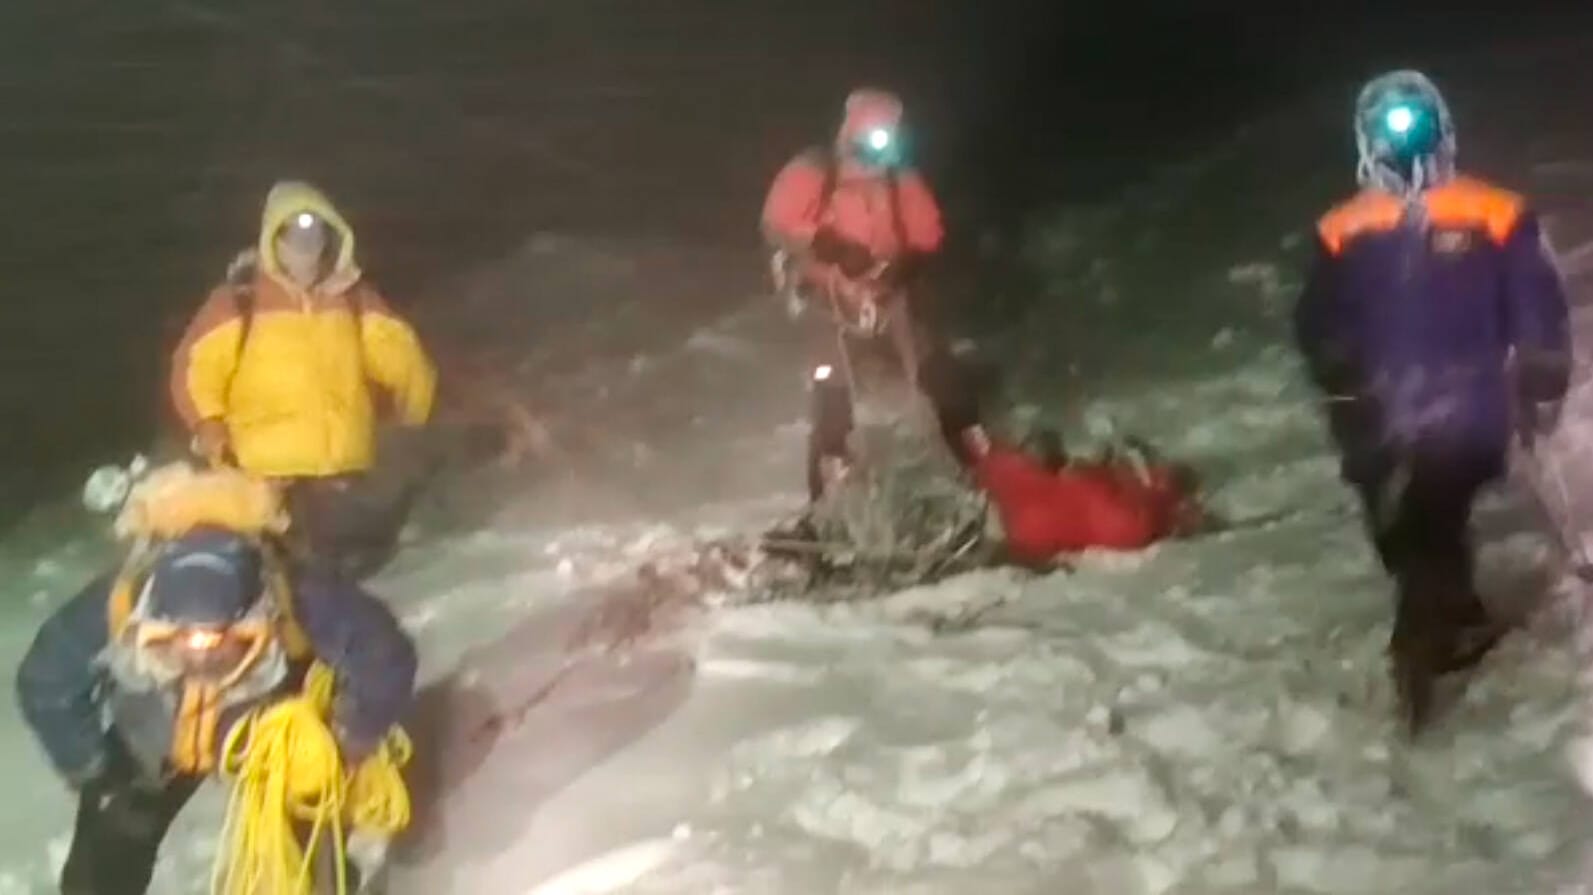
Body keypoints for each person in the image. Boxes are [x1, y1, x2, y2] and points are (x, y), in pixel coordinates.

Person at [1292, 70, 1570, 733]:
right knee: (1394, 515)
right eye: (1388, 129)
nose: (1403, 143)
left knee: (1432, 501)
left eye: (1414, 124)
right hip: (1375, 402)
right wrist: (1336, 368)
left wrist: (1540, 365)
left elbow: (1533, 298)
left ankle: (1422, 636)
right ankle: (1450, 607)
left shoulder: (1492, 212)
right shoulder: (1343, 228)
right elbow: (1317, 315)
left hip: (1466, 396)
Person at [15, 472, 417, 894]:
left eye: (229, 642)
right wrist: (94, 767)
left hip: (270, 739)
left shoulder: (294, 592)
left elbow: (381, 651)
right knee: (101, 863)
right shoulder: (119, 600)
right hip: (154, 732)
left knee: (310, 851)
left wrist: (352, 733)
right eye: (169, 644)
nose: (200, 657)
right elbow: (46, 678)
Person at [170, 181, 438, 578]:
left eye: (314, 234)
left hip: (342, 476)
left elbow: (405, 359)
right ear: (272, 240)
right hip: (265, 480)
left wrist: (414, 416)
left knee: (351, 577)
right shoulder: (239, 300)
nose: (304, 247)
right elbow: (194, 369)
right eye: (293, 234)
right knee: (277, 583)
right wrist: (209, 427)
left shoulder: (351, 299)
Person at [760, 88, 947, 501]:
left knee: (930, 363)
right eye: (874, 136)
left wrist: (905, 264)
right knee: (832, 381)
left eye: (889, 137)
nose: (881, 148)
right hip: (824, 291)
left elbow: (928, 231)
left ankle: (963, 451)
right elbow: (777, 221)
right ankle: (829, 485)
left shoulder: (902, 181)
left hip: (882, 290)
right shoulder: (814, 171)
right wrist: (830, 246)